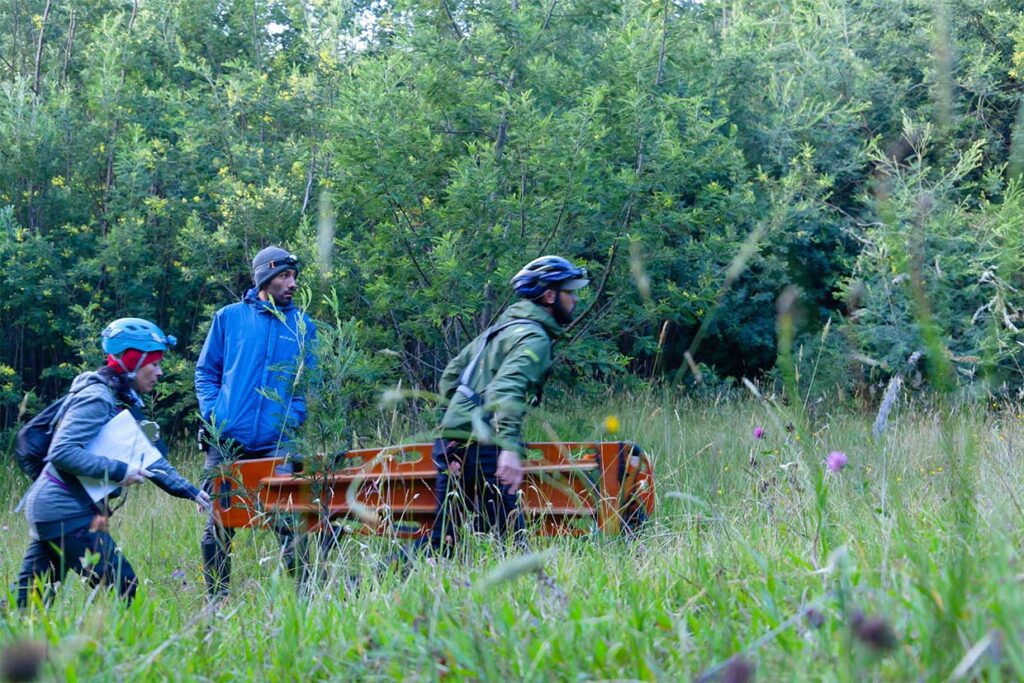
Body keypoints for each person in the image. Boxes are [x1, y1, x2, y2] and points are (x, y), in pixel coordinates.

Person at [14, 318, 210, 607]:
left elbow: (149, 459)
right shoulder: (97, 398)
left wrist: (192, 491)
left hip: (53, 509)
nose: (160, 372)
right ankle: (120, 651)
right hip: (65, 510)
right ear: (133, 361)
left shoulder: (120, 399)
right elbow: (63, 451)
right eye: (153, 364)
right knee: (125, 589)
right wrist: (120, 471)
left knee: (30, 603)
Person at [425, 255, 589, 553]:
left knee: (446, 538)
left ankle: (386, 584)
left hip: (454, 442)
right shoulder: (533, 337)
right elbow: (506, 389)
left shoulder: (500, 330)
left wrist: (447, 432)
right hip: (484, 443)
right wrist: (509, 450)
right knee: (509, 541)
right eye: (570, 291)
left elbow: (451, 375)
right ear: (550, 295)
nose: (575, 299)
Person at [195, 246, 316, 597]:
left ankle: (305, 597)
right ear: (265, 278)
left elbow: (311, 384)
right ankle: (216, 601)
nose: (291, 283)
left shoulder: (302, 326)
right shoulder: (229, 318)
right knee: (218, 525)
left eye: (294, 276)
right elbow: (206, 372)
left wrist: (291, 418)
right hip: (227, 441)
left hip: (277, 441)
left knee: (290, 523)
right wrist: (216, 415)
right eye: (284, 276)